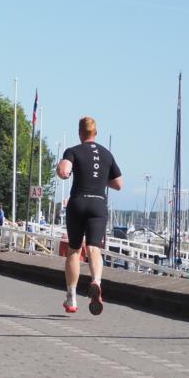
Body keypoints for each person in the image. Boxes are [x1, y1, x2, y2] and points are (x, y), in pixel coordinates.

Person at [56, 116, 122, 315]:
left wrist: (65, 173)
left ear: (80, 133)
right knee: (94, 248)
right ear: (96, 133)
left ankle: (72, 298)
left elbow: (64, 170)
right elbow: (119, 184)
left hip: (78, 201)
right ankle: (96, 281)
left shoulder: (73, 151)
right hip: (98, 203)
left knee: (74, 250)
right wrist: (102, 180)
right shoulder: (107, 154)